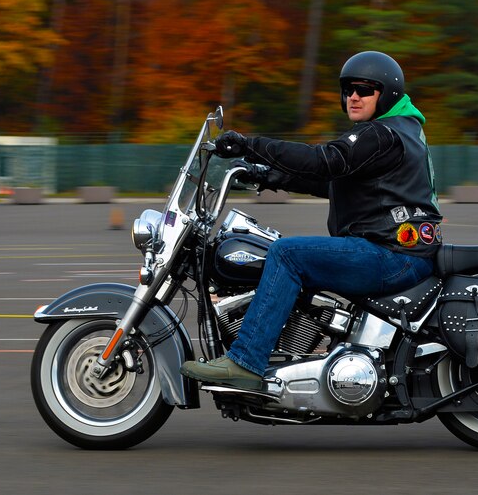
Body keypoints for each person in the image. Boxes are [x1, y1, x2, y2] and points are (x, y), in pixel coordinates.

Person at [180, 51, 442, 390]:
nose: (354, 97)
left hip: (392, 256)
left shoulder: (382, 134)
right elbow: (332, 181)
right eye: (348, 89)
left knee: (287, 254)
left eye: (365, 89)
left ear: (386, 93)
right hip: (400, 252)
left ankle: (247, 360)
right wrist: (267, 176)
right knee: (295, 253)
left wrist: (251, 145)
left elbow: (324, 161)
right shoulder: (399, 130)